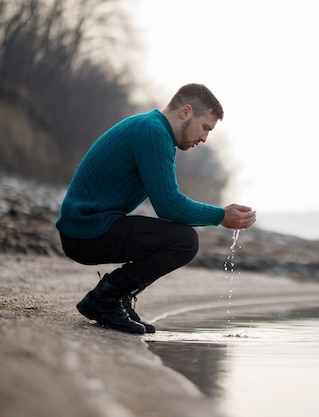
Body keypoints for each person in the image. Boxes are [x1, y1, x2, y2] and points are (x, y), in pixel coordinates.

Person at [56, 83, 256, 335]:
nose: (204, 138)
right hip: (86, 232)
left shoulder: (153, 129)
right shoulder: (153, 132)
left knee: (181, 237)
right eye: (205, 127)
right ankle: (105, 298)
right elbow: (169, 206)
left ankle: (112, 297)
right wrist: (221, 216)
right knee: (184, 241)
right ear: (185, 112)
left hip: (86, 228)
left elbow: (168, 201)